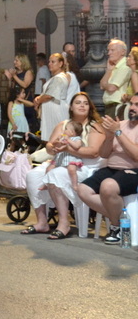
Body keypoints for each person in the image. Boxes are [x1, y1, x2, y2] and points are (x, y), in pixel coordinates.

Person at [21, 92, 104, 239]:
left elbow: (94, 152)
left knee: (56, 174)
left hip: (84, 165)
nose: (82, 106)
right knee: (33, 175)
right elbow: (49, 146)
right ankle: (42, 222)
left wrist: (67, 149)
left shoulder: (95, 126)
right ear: (71, 107)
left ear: (90, 107)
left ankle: (64, 223)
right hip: (61, 160)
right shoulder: (63, 125)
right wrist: (53, 148)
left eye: (85, 103)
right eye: (78, 103)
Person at [77, 94, 138, 244]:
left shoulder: (119, 129)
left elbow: (136, 155)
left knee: (108, 186)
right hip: (111, 168)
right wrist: (110, 137)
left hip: (133, 170)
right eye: (131, 104)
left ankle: (116, 227)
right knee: (83, 189)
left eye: (137, 105)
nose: (132, 108)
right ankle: (122, 219)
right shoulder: (120, 125)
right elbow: (104, 154)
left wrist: (118, 133)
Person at [33, 53, 71, 141]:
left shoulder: (59, 78)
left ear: (60, 63)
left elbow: (50, 95)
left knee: (56, 137)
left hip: (56, 110)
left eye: (53, 62)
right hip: (52, 109)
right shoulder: (56, 77)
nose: (50, 64)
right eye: (49, 62)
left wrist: (39, 100)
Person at [39, 120, 84, 192]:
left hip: (70, 158)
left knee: (72, 169)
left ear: (72, 132)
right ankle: (46, 183)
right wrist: (57, 141)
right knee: (49, 168)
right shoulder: (63, 137)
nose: (64, 130)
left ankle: (75, 184)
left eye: (66, 129)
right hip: (60, 157)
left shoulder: (77, 139)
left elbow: (77, 146)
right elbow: (54, 143)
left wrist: (68, 140)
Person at [4, 54, 36, 130]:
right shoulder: (16, 73)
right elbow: (11, 88)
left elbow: (25, 85)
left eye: (17, 60)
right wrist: (9, 79)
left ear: (22, 62)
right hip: (16, 101)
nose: (14, 62)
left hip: (25, 100)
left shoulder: (28, 72)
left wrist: (14, 76)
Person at [100, 39, 131, 119]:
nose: (109, 53)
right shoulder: (113, 66)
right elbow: (101, 86)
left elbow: (111, 88)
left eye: (112, 50)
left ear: (123, 52)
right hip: (110, 107)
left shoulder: (125, 67)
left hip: (117, 107)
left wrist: (105, 85)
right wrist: (109, 70)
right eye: (108, 50)